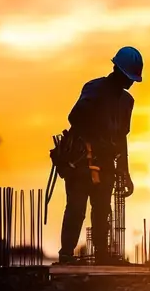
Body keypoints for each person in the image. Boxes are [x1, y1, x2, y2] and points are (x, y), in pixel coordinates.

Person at [58, 47, 142, 265]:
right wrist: (96, 134)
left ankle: (102, 255)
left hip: (105, 164)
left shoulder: (127, 102)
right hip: (81, 160)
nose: (130, 83)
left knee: (103, 209)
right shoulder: (94, 89)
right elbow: (74, 117)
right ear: (117, 70)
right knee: (76, 207)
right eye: (128, 77)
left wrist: (125, 172)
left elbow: (122, 138)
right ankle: (66, 255)